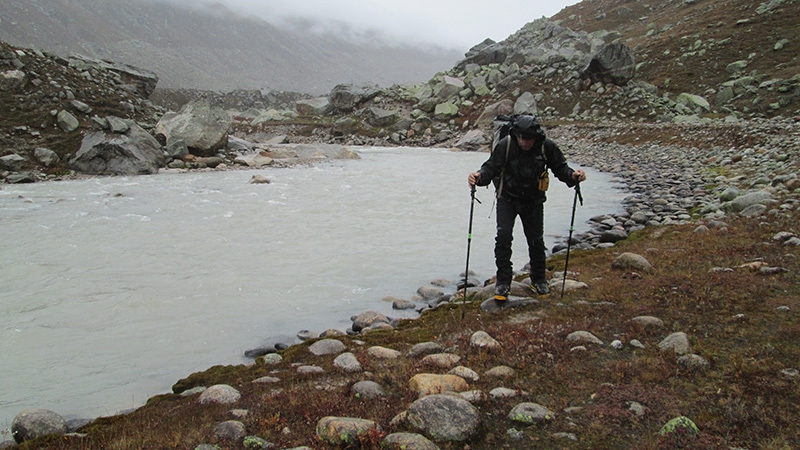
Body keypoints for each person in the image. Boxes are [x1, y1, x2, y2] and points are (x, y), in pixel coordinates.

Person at [468, 115, 586, 300]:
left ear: (536, 136)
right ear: (516, 135)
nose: (524, 142)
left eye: (528, 138)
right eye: (521, 138)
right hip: (507, 199)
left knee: (536, 241)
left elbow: (560, 169)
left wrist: (573, 176)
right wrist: (478, 176)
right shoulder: (505, 145)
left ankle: (539, 280)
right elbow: (491, 168)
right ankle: (503, 283)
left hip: (533, 201)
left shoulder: (547, 146)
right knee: (504, 238)